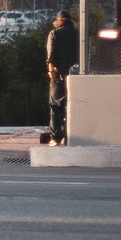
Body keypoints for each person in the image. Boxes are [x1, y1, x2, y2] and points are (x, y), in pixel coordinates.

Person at [45, 9, 77, 145]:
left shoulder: (54, 34)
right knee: (72, 106)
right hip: (75, 75)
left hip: (58, 74)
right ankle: (69, 135)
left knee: (56, 106)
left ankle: (55, 137)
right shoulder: (78, 35)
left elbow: (50, 56)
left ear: (59, 21)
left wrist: (51, 71)